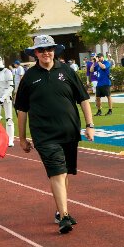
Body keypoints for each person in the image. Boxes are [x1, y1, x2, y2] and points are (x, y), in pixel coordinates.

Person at [14, 35, 95, 234]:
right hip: (44, 135)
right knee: (57, 173)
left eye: (49, 49)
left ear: (54, 51)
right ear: (35, 54)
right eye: (41, 50)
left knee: (64, 173)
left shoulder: (67, 71)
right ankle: (64, 217)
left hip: (69, 131)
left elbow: (83, 99)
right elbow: (22, 109)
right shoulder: (29, 77)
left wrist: (90, 124)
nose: (46, 53)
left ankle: (61, 210)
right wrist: (22, 138)